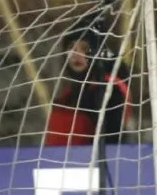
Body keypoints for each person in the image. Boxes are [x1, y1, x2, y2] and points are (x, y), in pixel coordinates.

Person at [45, 8, 130, 147]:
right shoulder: (69, 92)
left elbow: (112, 140)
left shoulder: (109, 88)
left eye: (84, 48)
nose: (76, 54)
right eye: (71, 47)